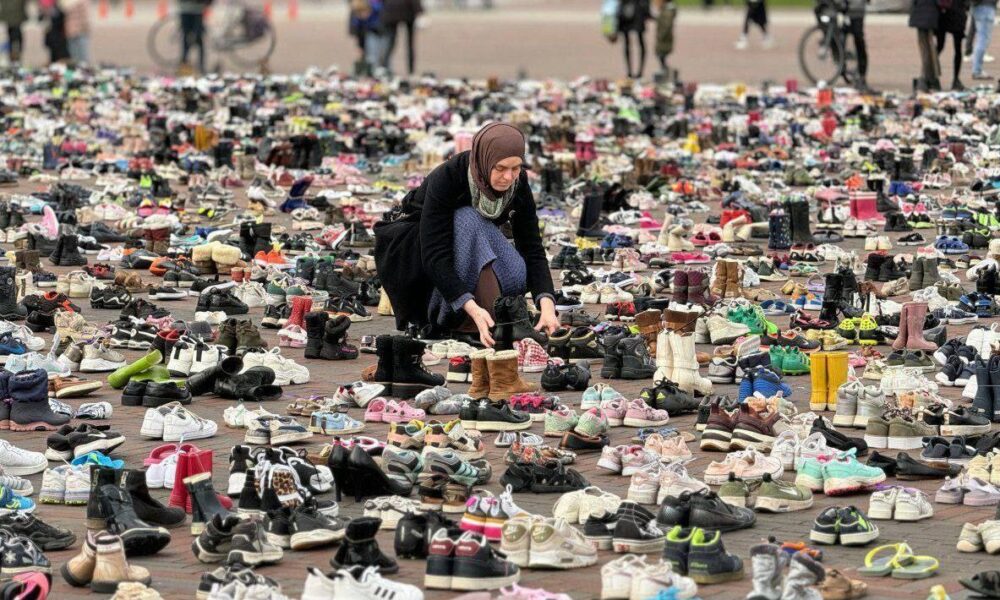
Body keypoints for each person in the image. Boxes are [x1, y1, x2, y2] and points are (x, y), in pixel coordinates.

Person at [374, 122, 558, 348]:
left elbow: (532, 247)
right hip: (419, 262)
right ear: (484, 160)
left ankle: (493, 316)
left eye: (515, 168)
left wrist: (547, 305)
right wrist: (472, 308)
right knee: (467, 216)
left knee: (517, 272)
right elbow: (434, 255)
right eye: (500, 168)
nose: (508, 177)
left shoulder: (518, 184)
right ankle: (474, 321)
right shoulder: (448, 177)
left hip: (468, 254)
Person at [380, 0, 422, 75]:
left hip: (391, 9)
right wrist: (419, 10)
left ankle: (383, 67)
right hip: (408, 10)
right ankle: (411, 70)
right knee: (409, 43)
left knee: (390, 42)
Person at [910, 0, 942, 91]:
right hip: (930, 13)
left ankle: (927, 76)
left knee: (926, 48)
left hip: (922, 13)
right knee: (929, 46)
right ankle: (932, 76)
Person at [937, 0, 969, 90]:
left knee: (940, 47)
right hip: (955, 12)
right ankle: (955, 79)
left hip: (943, 13)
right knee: (957, 49)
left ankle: (930, 75)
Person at [617, 0, 651, 79]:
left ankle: (637, 72)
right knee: (630, 42)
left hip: (635, 10)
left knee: (635, 42)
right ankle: (632, 71)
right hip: (630, 10)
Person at [845, 0, 871, 91]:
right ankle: (840, 59)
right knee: (836, 34)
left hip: (856, 6)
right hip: (837, 5)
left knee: (858, 36)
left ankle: (861, 73)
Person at [178, 0, 208, 74]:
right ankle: (185, 64)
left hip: (196, 10)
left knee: (197, 38)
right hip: (187, 10)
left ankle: (199, 65)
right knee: (187, 39)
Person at [970, 0, 996, 79]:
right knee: (983, 40)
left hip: (979, 7)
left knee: (981, 39)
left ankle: (976, 69)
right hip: (986, 8)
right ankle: (977, 70)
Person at [652, 0, 676, 76]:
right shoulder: (665, 10)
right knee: (661, 55)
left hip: (664, 37)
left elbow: (667, 25)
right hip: (664, 37)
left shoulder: (667, 11)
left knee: (661, 54)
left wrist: (661, 35)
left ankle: (666, 71)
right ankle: (665, 69)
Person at [1, 0, 28, 64]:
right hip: (14, 17)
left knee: (14, 38)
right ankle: (15, 57)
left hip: (14, 17)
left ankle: (15, 57)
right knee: (14, 38)